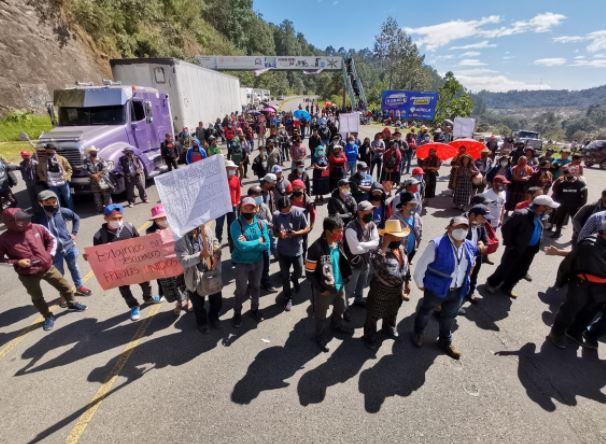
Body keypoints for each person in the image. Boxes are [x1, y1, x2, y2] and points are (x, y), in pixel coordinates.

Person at [0, 208, 87, 331]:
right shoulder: (3, 239)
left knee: (65, 286)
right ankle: (48, 316)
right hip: (27, 274)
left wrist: (48, 255)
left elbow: (51, 239)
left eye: (24, 217)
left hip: (47, 267)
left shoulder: (37, 227)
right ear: (10, 222)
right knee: (37, 297)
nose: (25, 220)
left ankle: (72, 303)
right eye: (20, 220)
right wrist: (17, 262)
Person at [412, 215, 477, 359]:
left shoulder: (470, 246)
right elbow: (421, 267)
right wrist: (421, 285)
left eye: (464, 228)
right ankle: (418, 333)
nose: (461, 230)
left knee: (449, 317)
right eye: (458, 227)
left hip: (457, 290)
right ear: (450, 228)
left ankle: (445, 342)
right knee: (426, 312)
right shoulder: (436, 244)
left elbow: (471, 265)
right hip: (436, 289)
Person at [92, 204, 160, 321]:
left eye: (120, 218)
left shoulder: (129, 227)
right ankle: (133, 306)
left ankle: (148, 298)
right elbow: (98, 257)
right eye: (114, 219)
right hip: (117, 270)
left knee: (145, 282)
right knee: (124, 289)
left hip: (135, 264)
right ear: (106, 218)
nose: (118, 221)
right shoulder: (99, 236)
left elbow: (139, 242)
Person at [485, 195, 560, 298]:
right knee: (505, 268)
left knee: (521, 270)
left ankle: (507, 287)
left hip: (530, 249)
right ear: (541, 206)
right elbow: (506, 228)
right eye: (548, 207)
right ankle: (492, 283)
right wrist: (510, 244)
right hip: (516, 248)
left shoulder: (540, 215)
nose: (549, 210)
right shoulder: (521, 215)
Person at [548, 221, 606, 349]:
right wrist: (561, 279)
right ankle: (556, 332)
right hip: (582, 283)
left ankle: (574, 331)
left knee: (589, 311)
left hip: (601, 287)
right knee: (571, 309)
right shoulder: (590, 245)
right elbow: (571, 261)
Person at [305, 216, 353, 352]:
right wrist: (320, 289)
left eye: (342, 229)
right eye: (338, 230)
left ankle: (336, 324)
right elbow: (309, 273)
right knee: (321, 316)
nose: (342, 233)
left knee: (341, 307)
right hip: (324, 290)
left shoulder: (338, 242)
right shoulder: (315, 248)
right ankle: (319, 336)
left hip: (340, 285)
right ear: (328, 231)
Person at [33, 189, 92, 300]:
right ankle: (64, 293)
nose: (52, 205)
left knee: (74, 267)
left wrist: (74, 233)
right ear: (41, 203)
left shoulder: (63, 211)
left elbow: (76, 218)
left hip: (69, 247)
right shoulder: (37, 217)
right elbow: (33, 233)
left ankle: (79, 287)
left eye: (53, 202)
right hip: (53, 252)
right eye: (47, 203)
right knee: (59, 273)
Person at [363, 219, 411, 350]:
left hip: (396, 290)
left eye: (399, 236)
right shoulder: (378, 250)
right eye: (395, 236)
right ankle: (369, 336)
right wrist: (385, 245)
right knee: (374, 314)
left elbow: (406, 265)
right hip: (381, 290)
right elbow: (375, 264)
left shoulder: (401, 248)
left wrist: (407, 281)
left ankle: (388, 327)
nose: (399, 238)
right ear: (388, 236)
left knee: (393, 310)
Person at [229, 197, 271, 327]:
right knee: (241, 290)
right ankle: (237, 313)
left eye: (251, 208)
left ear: (256, 209)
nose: (249, 210)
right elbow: (241, 246)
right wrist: (258, 241)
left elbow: (267, 244)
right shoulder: (236, 225)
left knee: (256, 286)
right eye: (245, 208)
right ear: (240, 209)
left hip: (258, 262)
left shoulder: (261, 224)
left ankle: (255, 309)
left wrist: (248, 243)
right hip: (241, 263)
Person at [175, 223, 223, 333]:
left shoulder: (205, 228)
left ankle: (214, 318)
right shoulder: (180, 238)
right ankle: (202, 323)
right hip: (194, 277)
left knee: (216, 300)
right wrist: (201, 255)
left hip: (211, 272)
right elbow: (183, 261)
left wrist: (216, 255)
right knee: (198, 304)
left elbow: (215, 242)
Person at [147, 204, 189, 315]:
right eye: (160, 218)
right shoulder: (150, 232)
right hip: (165, 269)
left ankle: (188, 301)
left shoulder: (176, 227)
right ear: (155, 220)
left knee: (186, 284)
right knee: (172, 288)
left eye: (165, 217)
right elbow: (148, 251)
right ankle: (179, 302)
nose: (163, 220)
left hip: (180, 264)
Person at [273, 196, 311, 311]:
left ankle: (295, 279)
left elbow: (307, 228)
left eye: (287, 210)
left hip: (297, 250)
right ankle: (287, 297)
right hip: (282, 250)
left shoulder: (298, 213)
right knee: (284, 276)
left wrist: (296, 233)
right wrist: (279, 234)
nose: (284, 212)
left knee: (299, 271)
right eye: (282, 211)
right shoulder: (276, 215)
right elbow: (274, 231)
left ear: (291, 206)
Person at [344, 201, 380, 310]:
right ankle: (343, 308)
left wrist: (362, 244)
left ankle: (358, 299)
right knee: (349, 288)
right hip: (353, 264)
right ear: (359, 213)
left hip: (366, 261)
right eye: (367, 212)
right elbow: (355, 250)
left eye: (371, 211)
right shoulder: (350, 228)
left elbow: (377, 243)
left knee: (362, 283)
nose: (370, 213)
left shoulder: (372, 224)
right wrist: (370, 245)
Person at [247, 186, 276, 292]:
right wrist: (262, 223)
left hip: (264, 240)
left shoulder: (264, 206)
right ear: (250, 197)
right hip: (253, 243)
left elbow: (271, 220)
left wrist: (266, 223)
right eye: (256, 195)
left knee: (266, 263)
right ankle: (252, 284)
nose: (259, 197)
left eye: (260, 195)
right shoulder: (246, 209)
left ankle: (266, 282)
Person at [550, 167, 587, 238]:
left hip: (574, 206)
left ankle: (575, 236)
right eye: (567, 173)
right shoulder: (562, 183)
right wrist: (557, 204)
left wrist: (580, 205)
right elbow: (557, 194)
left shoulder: (581, 183)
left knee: (575, 221)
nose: (568, 175)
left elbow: (584, 196)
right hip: (562, 206)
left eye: (571, 173)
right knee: (559, 219)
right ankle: (557, 233)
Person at [465, 205, 491, 303]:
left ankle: (470, 291)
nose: (485, 221)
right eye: (483, 217)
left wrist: (483, 243)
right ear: (473, 215)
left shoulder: (480, 224)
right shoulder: (461, 223)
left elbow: (485, 238)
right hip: (463, 257)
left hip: (476, 256)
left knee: (474, 274)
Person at [37, 143, 73, 210]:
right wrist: (43, 178)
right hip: (51, 184)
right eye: (51, 150)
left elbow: (69, 169)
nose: (53, 152)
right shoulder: (42, 160)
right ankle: (59, 213)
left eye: (54, 150)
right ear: (47, 150)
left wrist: (67, 177)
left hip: (63, 182)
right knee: (56, 200)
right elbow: (39, 171)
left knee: (68, 198)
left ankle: (71, 213)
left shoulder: (61, 158)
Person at [390, 192, 423, 265]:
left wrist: (416, 248)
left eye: (415, 205)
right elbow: (388, 239)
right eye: (411, 205)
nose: (414, 207)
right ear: (403, 206)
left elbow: (420, 234)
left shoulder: (416, 217)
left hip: (412, 251)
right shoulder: (393, 219)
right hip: (397, 254)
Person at [215, 160, 240, 249]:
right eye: (231, 168)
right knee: (219, 225)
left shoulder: (236, 179)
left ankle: (231, 240)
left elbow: (238, 192)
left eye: (233, 168)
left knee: (231, 224)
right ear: (225, 169)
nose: (233, 170)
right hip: (220, 207)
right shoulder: (218, 179)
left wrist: (237, 202)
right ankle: (217, 240)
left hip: (232, 207)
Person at [83, 146, 113, 213]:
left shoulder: (101, 159)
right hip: (93, 181)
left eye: (95, 151)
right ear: (90, 153)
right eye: (92, 152)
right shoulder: (86, 161)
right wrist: (92, 175)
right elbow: (84, 170)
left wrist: (98, 174)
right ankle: (99, 209)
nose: (94, 152)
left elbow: (106, 168)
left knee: (106, 194)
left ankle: (109, 209)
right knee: (96, 196)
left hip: (102, 180)